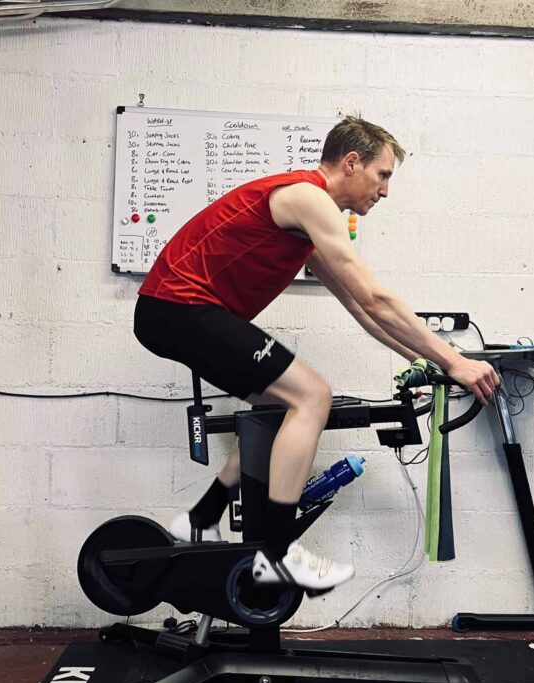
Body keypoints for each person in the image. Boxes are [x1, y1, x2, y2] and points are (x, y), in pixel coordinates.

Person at [134, 116, 499, 592]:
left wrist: (430, 363)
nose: (385, 191)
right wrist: (455, 359)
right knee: (312, 396)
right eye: (382, 175)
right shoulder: (307, 197)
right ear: (352, 162)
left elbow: (364, 313)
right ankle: (277, 554)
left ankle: (202, 518)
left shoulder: (305, 225)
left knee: (276, 411)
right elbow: (376, 298)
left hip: (177, 312)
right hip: (178, 307)